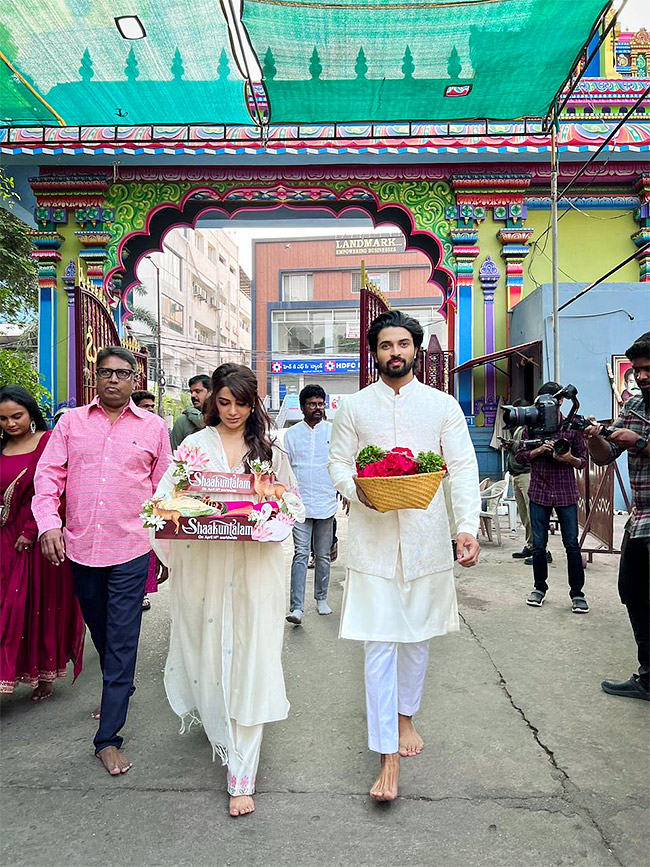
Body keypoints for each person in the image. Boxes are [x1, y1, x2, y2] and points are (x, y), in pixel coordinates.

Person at [328, 310, 481, 802]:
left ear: (416, 350)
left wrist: (465, 528)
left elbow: (460, 467)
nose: (394, 352)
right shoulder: (353, 407)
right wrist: (355, 491)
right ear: (374, 353)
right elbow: (337, 462)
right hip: (372, 541)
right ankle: (386, 755)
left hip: (425, 540)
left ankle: (405, 715)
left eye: (402, 344)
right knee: (378, 645)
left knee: (416, 640)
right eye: (385, 345)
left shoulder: (442, 406)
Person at [152, 363, 302, 817]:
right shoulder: (194, 447)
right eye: (223, 402)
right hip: (206, 569)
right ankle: (217, 717)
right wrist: (193, 512)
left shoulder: (269, 450)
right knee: (210, 653)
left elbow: (291, 503)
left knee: (254, 658)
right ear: (211, 401)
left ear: (252, 403)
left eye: (240, 403)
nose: (232, 412)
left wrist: (267, 510)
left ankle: (242, 774)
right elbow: (166, 502)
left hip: (256, 570)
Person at [33, 347, 171, 775]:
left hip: (130, 547)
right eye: (105, 372)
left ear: (135, 380)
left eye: (122, 373)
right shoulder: (71, 423)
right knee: (102, 630)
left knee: (123, 637)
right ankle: (119, 680)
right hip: (79, 548)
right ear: (96, 376)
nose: (113, 380)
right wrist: (47, 524)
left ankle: (108, 738)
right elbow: (49, 475)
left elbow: (165, 487)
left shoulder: (154, 427)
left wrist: (162, 546)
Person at [0, 386, 84, 700]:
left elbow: (54, 491)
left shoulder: (47, 443)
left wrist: (31, 529)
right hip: (3, 537)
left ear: (31, 413)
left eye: (16, 416)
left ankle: (43, 674)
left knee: (33, 608)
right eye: (3, 418)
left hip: (36, 540)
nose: (10, 424)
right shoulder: (2, 446)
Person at [584, 332, 650, 701]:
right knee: (633, 591)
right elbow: (604, 456)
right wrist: (595, 436)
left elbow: (633, 445)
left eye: (647, 369)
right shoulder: (634, 408)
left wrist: (638, 442)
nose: (641, 377)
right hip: (641, 518)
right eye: (638, 370)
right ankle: (648, 676)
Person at [515, 382, 589, 612]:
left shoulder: (572, 427)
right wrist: (538, 450)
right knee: (538, 545)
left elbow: (583, 461)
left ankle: (577, 594)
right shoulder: (532, 428)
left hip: (566, 492)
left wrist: (568, 459)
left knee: (572, 546)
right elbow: (520, 455)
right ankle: (539, 588)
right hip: (539, 491)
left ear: (560, 402)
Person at [285, 384, 337, 624]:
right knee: (301, 554)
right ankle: (296, 608)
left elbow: (340, 463)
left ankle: (321, 599)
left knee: (323, 555)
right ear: (302, 406)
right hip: (300, 503)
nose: (317, 408)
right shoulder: (292, 434)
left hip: (326, 500)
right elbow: (287, 469)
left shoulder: (332, 431)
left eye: (320, 404)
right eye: (312, 404)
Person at [132, 388, 162, 610]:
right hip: (127, 508)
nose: (151, 410)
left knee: (147, 552)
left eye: (152, 406)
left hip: (150, 507)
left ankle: (143, 593)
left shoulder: (158, 428)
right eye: (146, 407)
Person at [501, 399, 535, 560]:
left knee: (531, 514)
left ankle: (540, 549)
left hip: (526, 474)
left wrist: (512, 445)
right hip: (517, 474)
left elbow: (526, 450)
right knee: (524, 514)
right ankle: (530, 545)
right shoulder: (519, 428)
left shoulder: (529, 428)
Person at [170, 374, 211, 449]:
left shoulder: (222, 418)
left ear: (210, 393)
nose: (193, 395)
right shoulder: (182, 421)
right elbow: (174, 453)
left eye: (198, 391)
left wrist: (189, 411)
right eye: (191, 392)